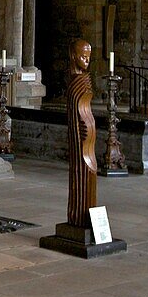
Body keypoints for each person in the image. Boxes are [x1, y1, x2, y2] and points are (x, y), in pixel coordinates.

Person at [66, 37, 97, 228]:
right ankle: (77, 217)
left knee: (89, 173)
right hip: (81, 144)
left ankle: (82, 218)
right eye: (82, 57)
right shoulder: (77, 83)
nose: (86, 61)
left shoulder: (83, 82)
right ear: (72, 56)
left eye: (88, 57)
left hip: (87, 143)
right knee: (82, 175)